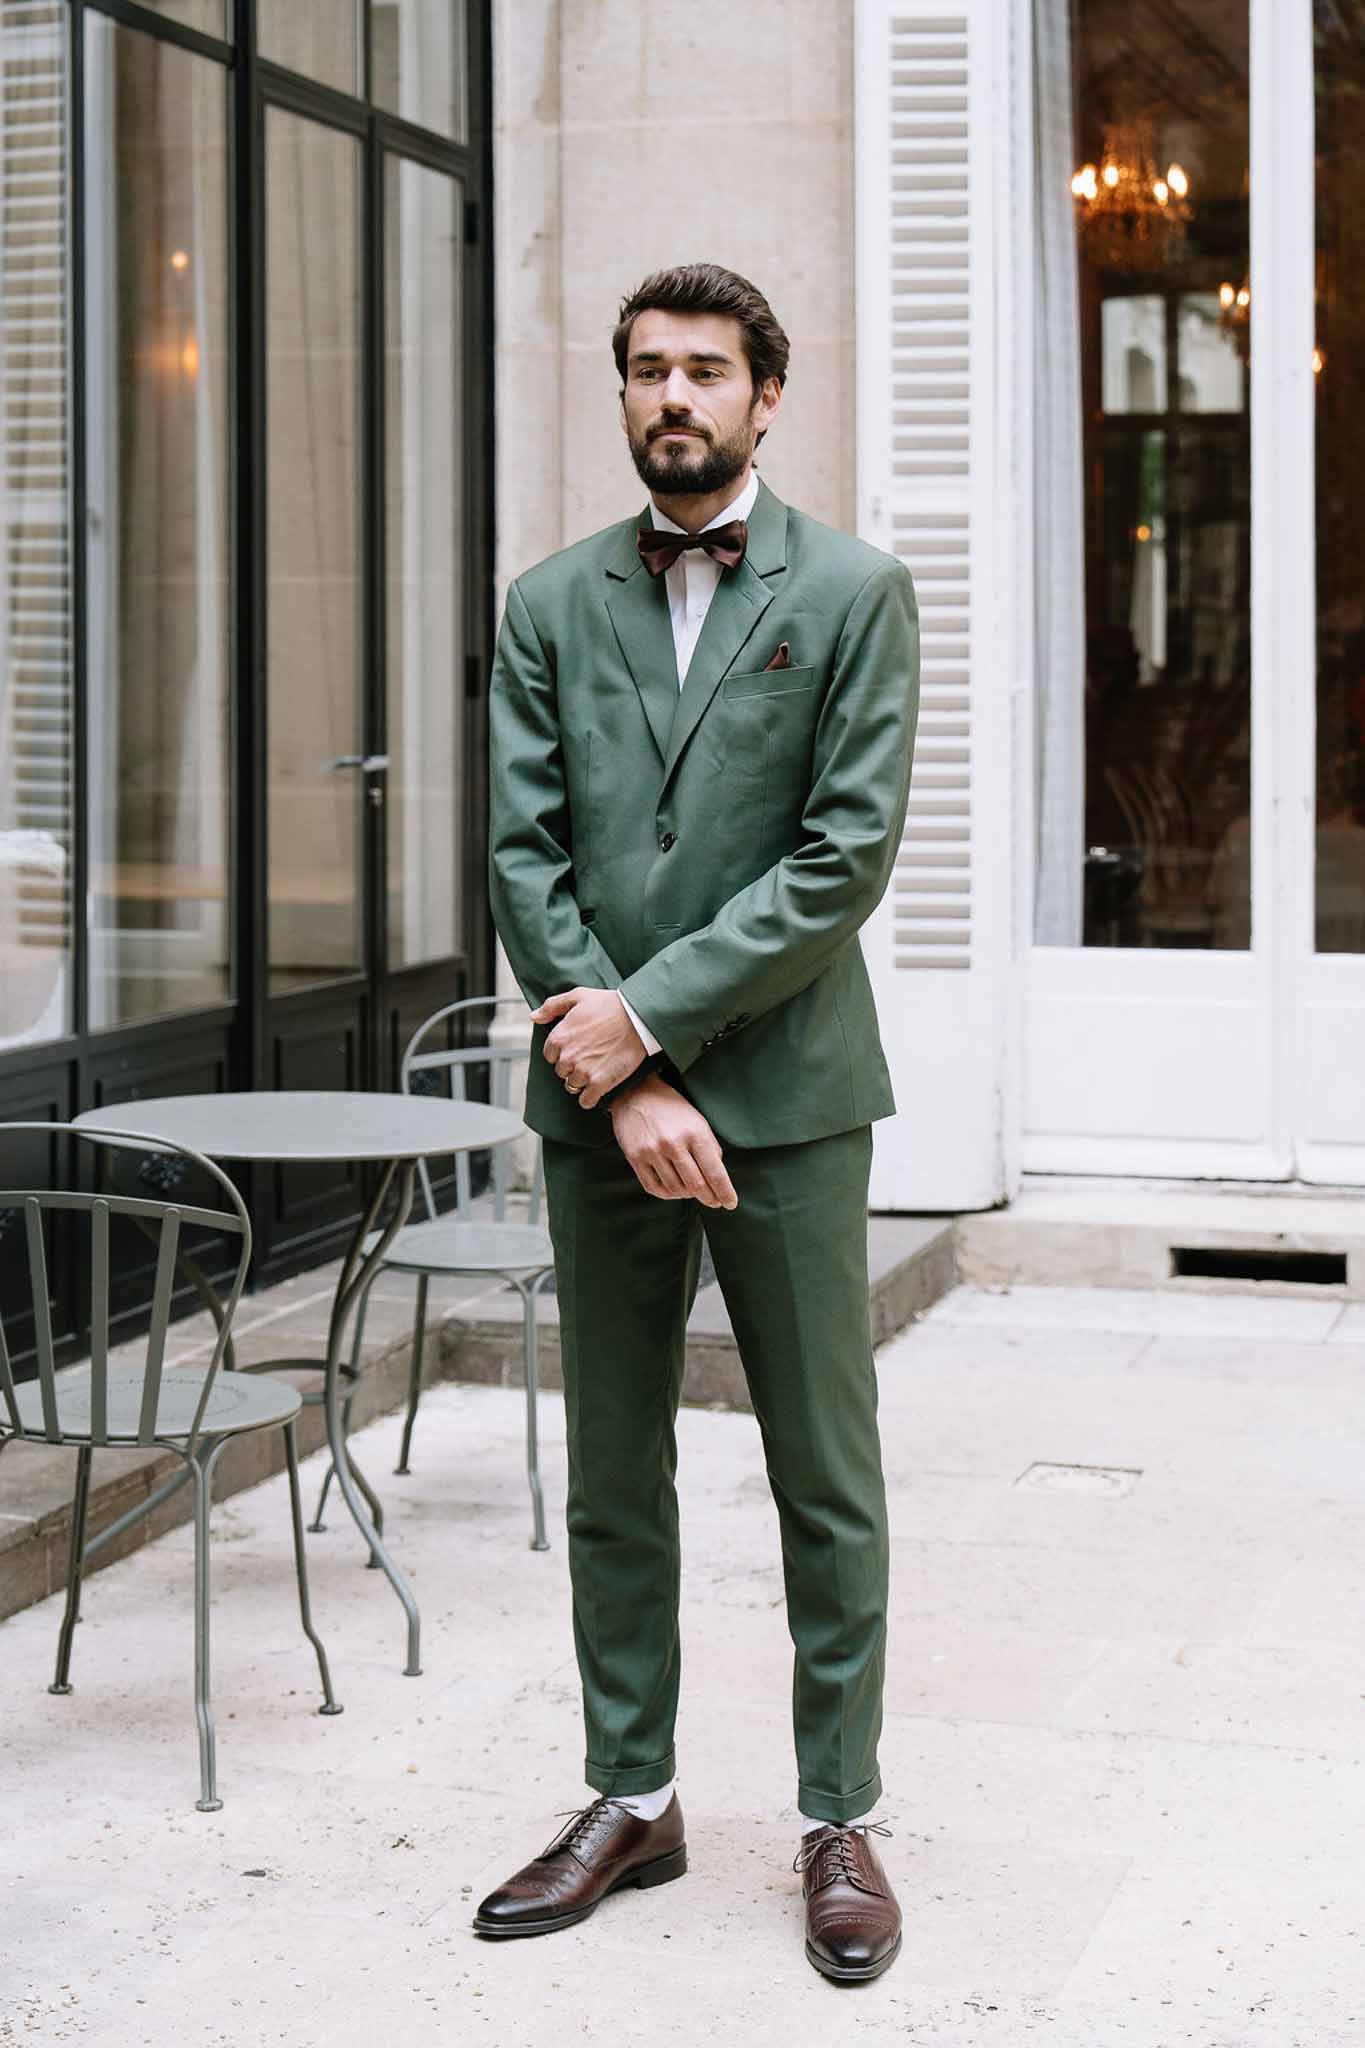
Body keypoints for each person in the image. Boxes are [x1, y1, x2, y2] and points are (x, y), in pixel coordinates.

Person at [477, 263, 920, 1983]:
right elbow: (525, 858)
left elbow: (840, 858)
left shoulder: (855, 592)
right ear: (622, 394)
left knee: (823, 1469)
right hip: (602, 1112)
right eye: (649, 369)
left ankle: (837, 1817)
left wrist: (650, 1021)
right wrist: (625, 1075)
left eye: (707, 370)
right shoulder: (544, 603)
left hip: (790, 1103)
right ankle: (632, 1796)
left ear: (764, 398)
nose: (675, 395)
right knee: (612, 1467)